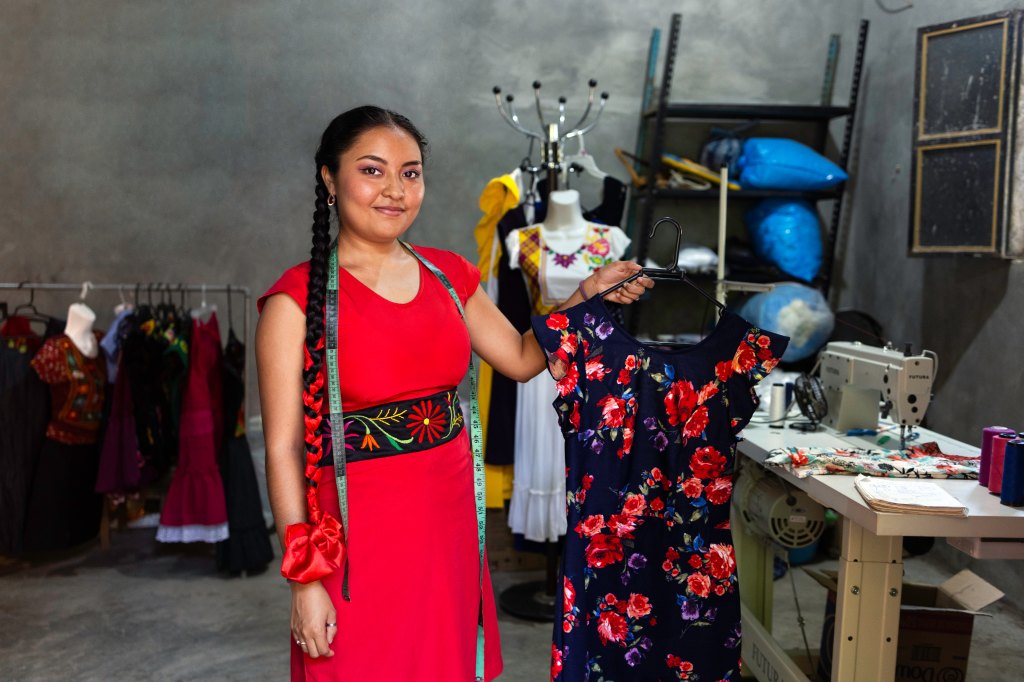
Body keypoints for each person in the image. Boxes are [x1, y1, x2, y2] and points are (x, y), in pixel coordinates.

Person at [255, 105, 653, 681]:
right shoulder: (295, 303)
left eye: (410, 173)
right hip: (354, 547)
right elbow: (283, 450)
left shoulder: (449, 276)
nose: (394, 189)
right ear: (329, 179)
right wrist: (306, 579)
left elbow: (521, 359)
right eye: (372, 170)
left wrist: (588, 292)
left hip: (447, 527)